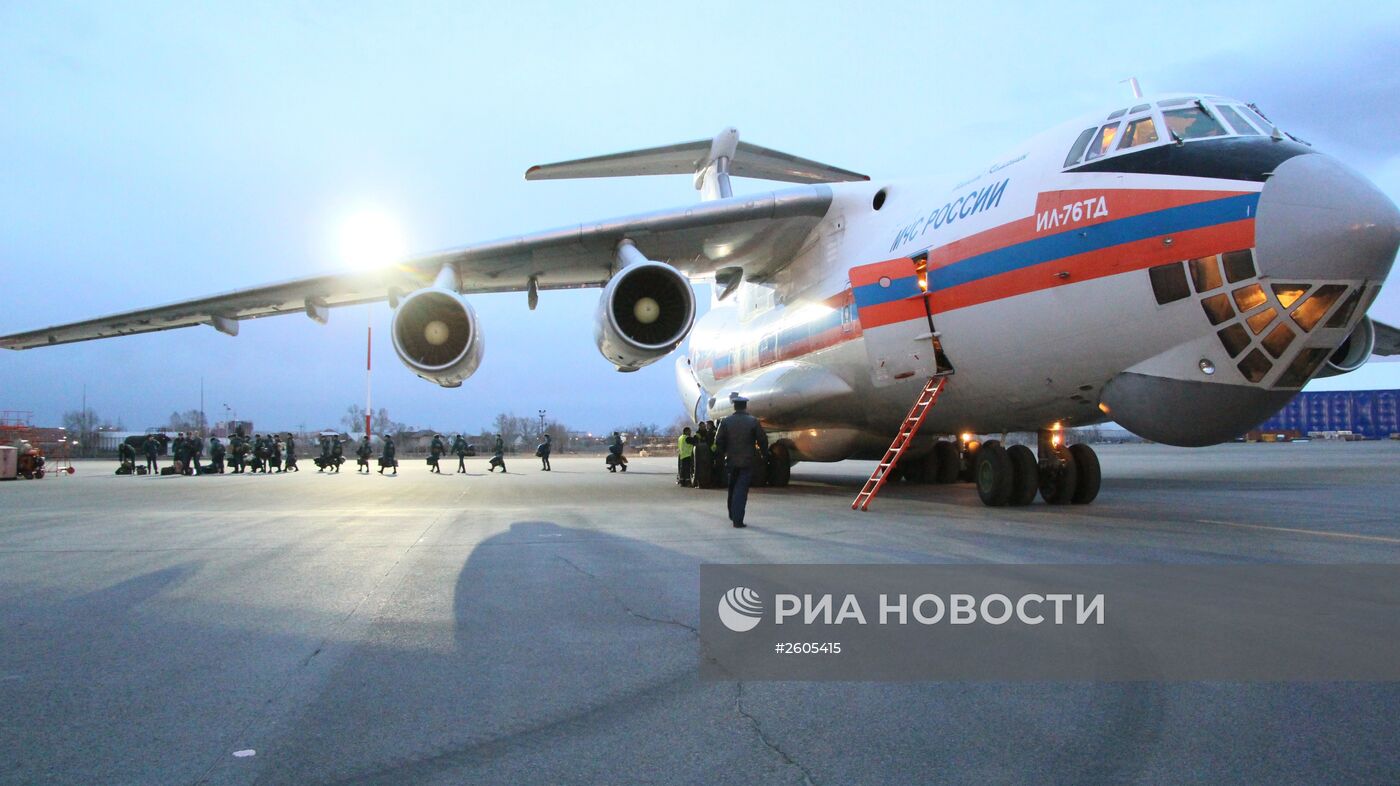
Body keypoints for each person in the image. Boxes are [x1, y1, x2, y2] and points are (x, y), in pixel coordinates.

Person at [714, 395, 767, 528]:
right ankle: (738, 519)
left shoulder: (726, 421)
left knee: (732, 488)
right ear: (745, 406)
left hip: (731, 461)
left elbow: (718, 440)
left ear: (734, 406)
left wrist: (722, 454)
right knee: (741, 490)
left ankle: (732, 513)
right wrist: (764, 454)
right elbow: (762, 439)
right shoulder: (753, 421)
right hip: (747, 461)